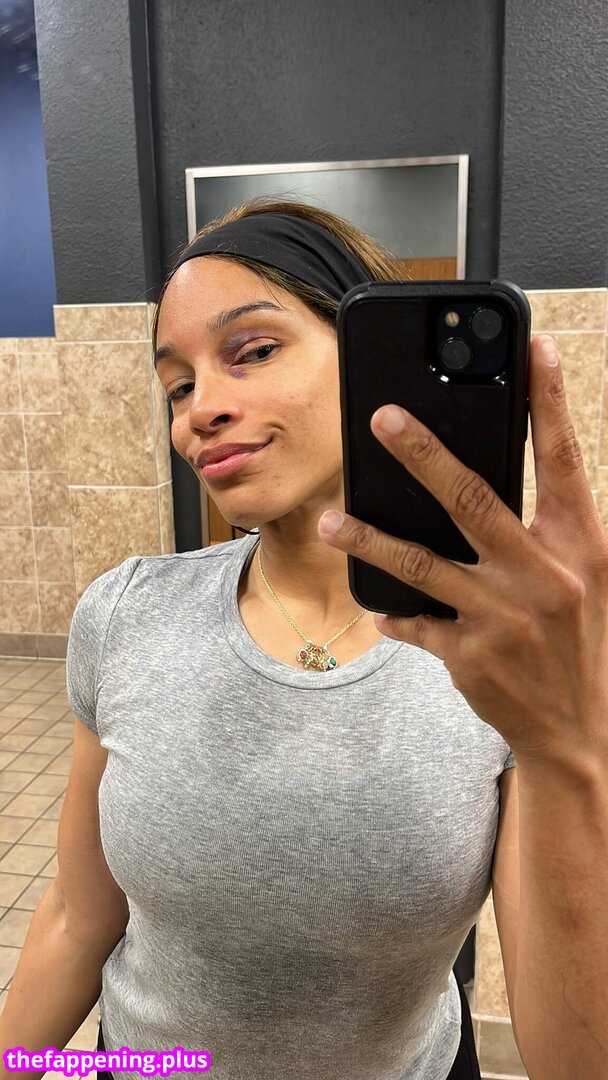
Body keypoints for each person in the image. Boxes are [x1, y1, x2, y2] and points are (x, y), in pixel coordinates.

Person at [2, 198, 606, 1080]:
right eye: (178, 385)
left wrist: (569, 741)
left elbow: (570, 1060)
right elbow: (75, 917)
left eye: (252, 351)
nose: (200, 410)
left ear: (369, 360)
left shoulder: (493, 656)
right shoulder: (126, 613)